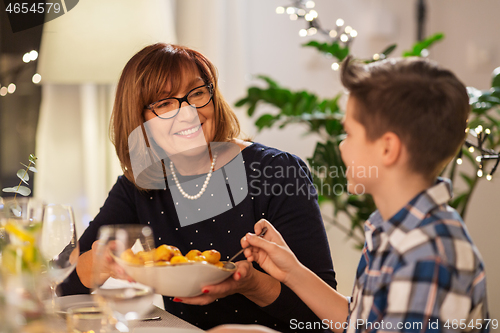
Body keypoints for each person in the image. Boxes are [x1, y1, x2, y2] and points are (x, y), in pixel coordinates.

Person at [59, 43, 337, 332]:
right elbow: (65, 285)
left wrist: (251, 285)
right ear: (139, 121)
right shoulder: (139, 186)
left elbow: (325, 321)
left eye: (197, 93)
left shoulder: (277, 171)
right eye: (164, 103)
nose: (188, 113)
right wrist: (101, 264)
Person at [209, 56, 490, 333]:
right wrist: (292, 271)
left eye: (350, 133)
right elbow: (359, 323)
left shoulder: (426, 255)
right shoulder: (392, 229)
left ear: (387, 149)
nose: (342, 147)